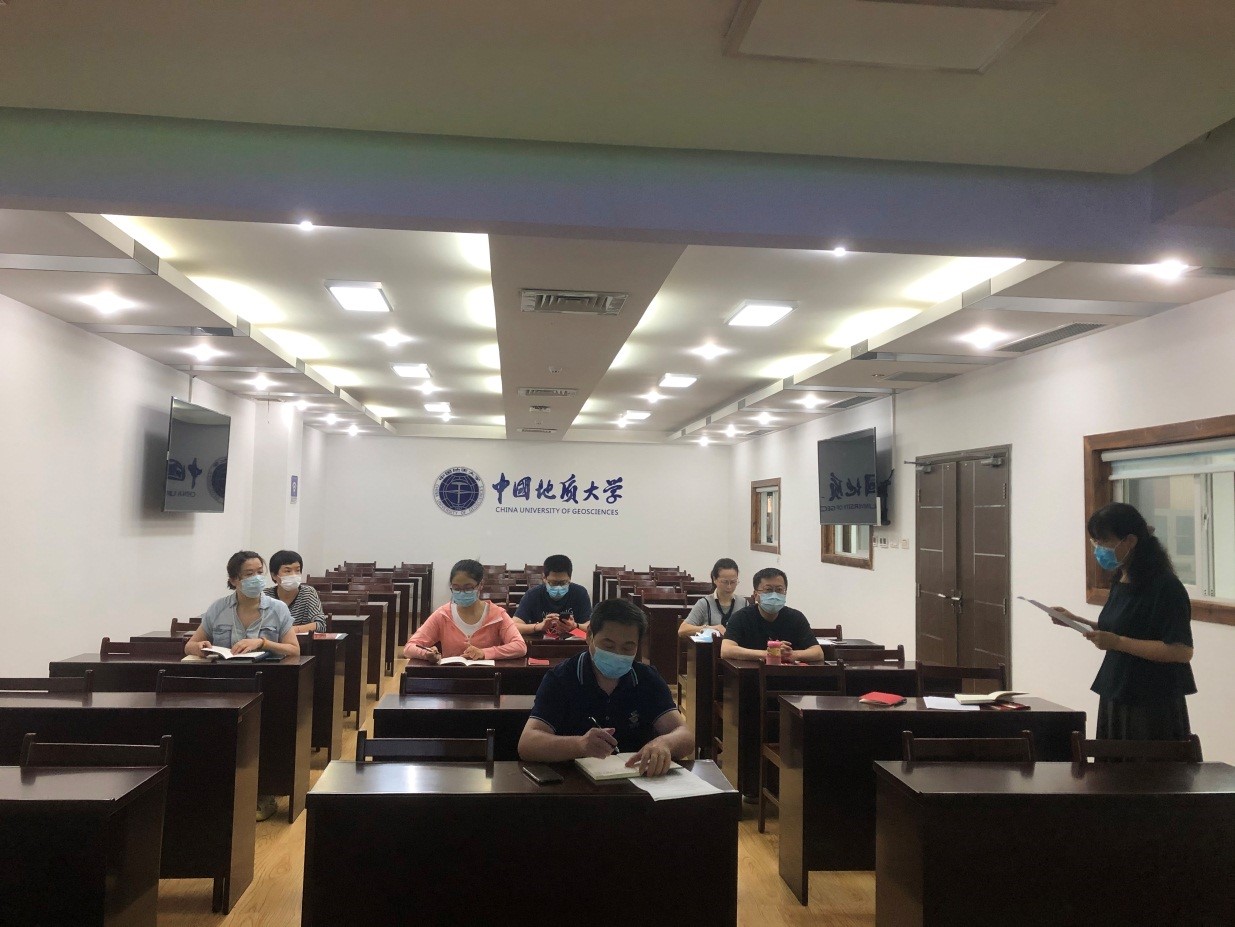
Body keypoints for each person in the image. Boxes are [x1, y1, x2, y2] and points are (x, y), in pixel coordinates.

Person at [1052, 502, 1196, 740]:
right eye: (1095, 542)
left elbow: (1181, 651)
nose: (1099, 549)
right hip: (1116, 689)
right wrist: (1074, 620)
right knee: (1111, 760)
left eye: (1104, 541)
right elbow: (1119, 627)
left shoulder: (1166, 586)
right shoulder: (1122, 577)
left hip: (1151, 700)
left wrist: (1118, 643)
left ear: (1129, 541)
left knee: (1142, 763)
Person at [185, 550, 300, 822]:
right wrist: (200, 647)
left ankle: (264, 794)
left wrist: (263, 642)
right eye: (249, 574)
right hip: (225, 687)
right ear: (234, 580)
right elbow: (190, 644)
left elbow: (294, 650)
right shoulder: (218, 608)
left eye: (260, 572)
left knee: (265, 736)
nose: (257, 578)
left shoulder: (277, 609)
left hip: (267, 686)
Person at [518, 598, 693, 776]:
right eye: (608, 645)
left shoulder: (646, 678)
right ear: (589, 636)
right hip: (575, 782)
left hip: (637, 781)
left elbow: (685, 735)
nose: (617, 654)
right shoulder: (562, 678)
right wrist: (579, 745)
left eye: (627, 648)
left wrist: (665, 743)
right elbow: (527, 744)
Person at [403, 559, 527, 661]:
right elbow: (409, 647)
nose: (462, 593)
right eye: (456, 588)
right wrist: (427, 654)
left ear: (480, 585)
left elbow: (520, 646)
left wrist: (484, 653)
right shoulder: (443, 615)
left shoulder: (497, 615)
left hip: (487, 677)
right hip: (450, 678)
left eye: (468, 588)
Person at [720, 567, 823, 663]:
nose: (774, 595)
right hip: (751, 674)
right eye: (768, 590)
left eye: (779, 590)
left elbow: (817, 652)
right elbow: (726, 650)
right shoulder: (740, 617)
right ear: (756, 595)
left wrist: (792, 654)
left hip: (788, 674)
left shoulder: (796, 618)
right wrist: (769, 654)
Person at [513, 554, 593, 637]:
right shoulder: (533, 594)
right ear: (544, 578)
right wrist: (538, 627)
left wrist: (575, 626)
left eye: (563, 583)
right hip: (540, 641)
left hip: (573, 640)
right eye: (553, 583)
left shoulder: (580, 593)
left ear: (570, 578)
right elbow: (514, 626)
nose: (558, 587)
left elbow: (591, 628)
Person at [679, 558, 747, 638]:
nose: (729, 587)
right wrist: (710, 628)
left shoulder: (744, 603)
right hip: (711, 646)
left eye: (733, 582)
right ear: (715, 579)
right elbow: (682, 630)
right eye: (725, 582)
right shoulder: (704, 603)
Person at [264, 549, 327, 632]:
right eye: (287, 571)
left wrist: (290, 631)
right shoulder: (266, 595)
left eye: (297, 570)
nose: (293, 575)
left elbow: (320, 625)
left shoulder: (308, 593)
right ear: (274, 575)